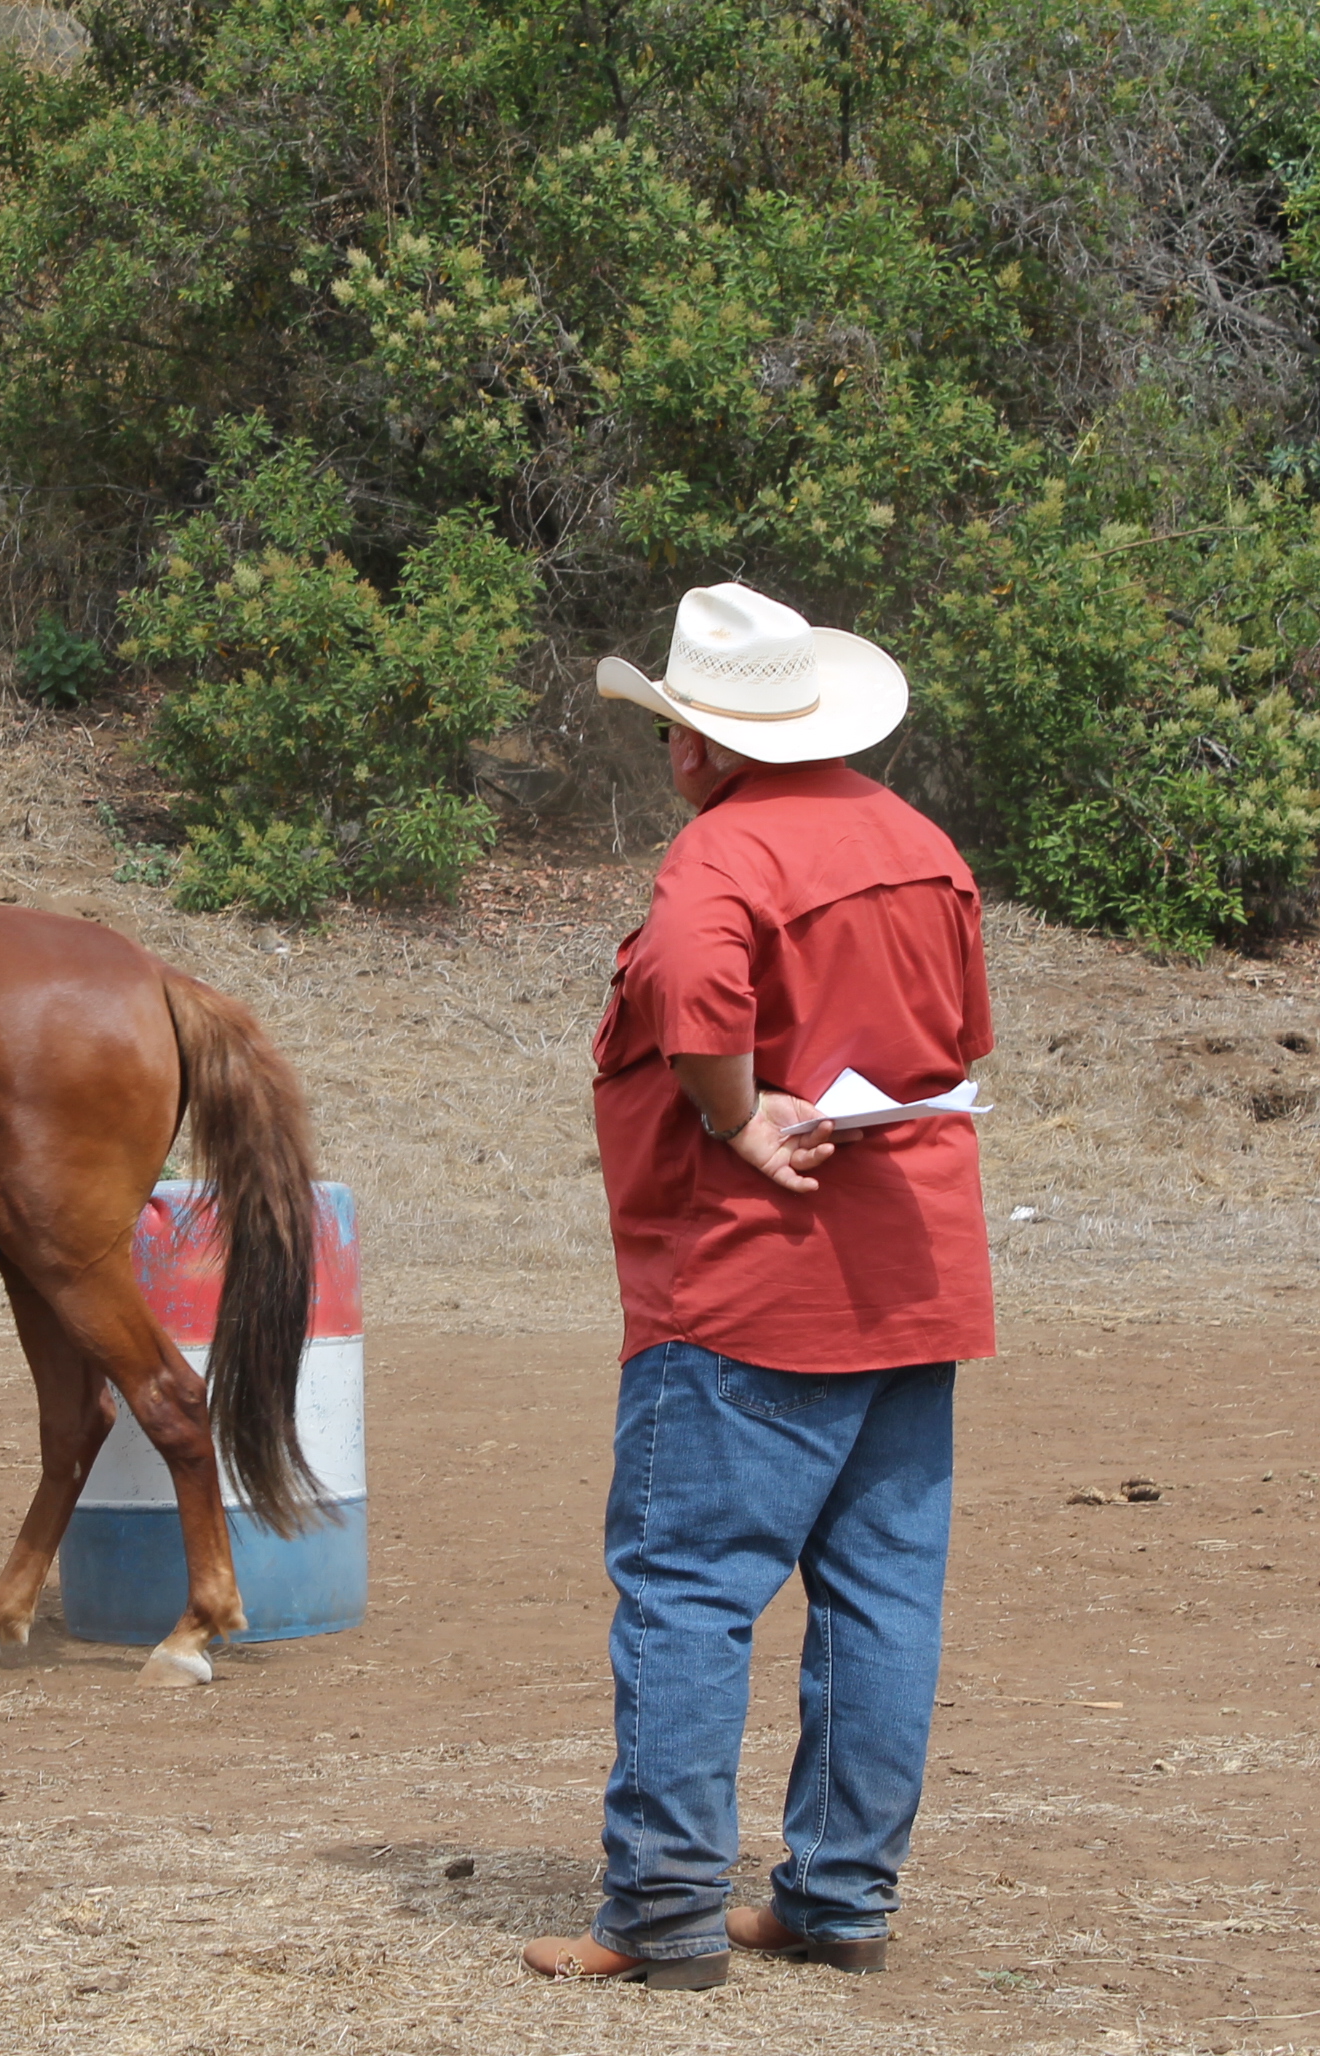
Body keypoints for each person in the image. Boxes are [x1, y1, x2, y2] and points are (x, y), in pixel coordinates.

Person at [523, 582, 994, 1989]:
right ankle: (838, 1900)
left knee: (689, 1588)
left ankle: (662, 1912)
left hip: (743, 1285)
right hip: (910, 1277)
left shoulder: (722, 858)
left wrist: (731, 1116)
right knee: (882, 1593)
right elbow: (960, 1039)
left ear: (694, 744)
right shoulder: (923, 846)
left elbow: (686, 978)